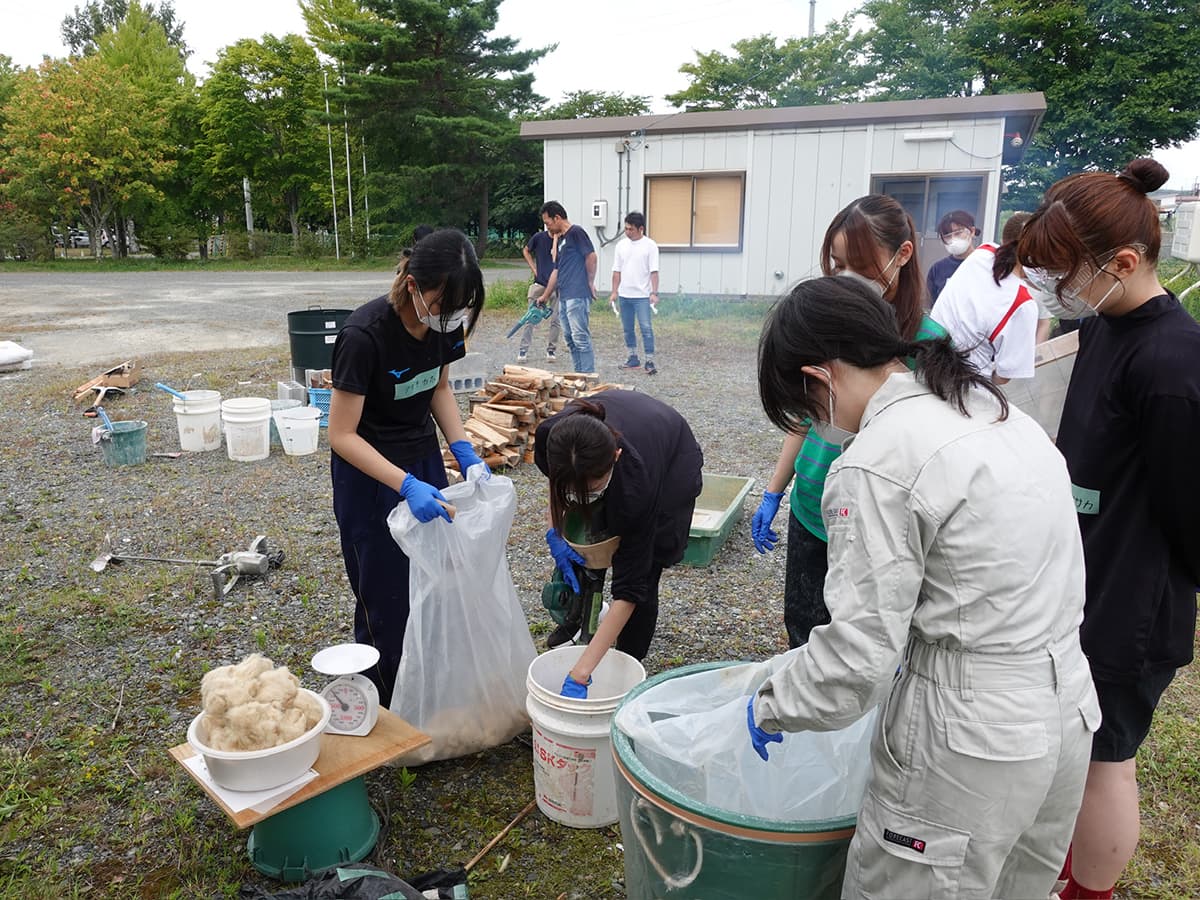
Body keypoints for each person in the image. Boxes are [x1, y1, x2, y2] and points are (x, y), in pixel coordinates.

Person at [748, 276, 1098, 898]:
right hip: (1065, 705)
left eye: (804, 410)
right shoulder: (995, 410)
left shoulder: (877, 462)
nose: (814, 427)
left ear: (820, 376)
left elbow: (857, 658)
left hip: (968, 735)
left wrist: (773, 701)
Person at [1016, 158, 1200, 900]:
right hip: (1083, 582)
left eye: (1066, 274)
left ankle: (1090, 892)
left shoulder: (1173, 359)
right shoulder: (1103, 327)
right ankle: (1066, 865)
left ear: (1123, 263)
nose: (1057, 291)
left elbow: (1191, 515)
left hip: (1131, 598)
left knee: (1106, 756)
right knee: (1072, 746)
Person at [751, 194, 946, 649]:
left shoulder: (927, 343)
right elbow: (804, 414)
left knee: (863, 639)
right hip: (812, 501)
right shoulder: (823, 323)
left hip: (875, 519)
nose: (845, 277)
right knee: (804, 624)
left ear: (903, 255)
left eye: (859, 263)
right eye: (836, 265)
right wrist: (775, 490)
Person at [327, 228, 489, 706]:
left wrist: (464, 451)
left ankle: (433, 694)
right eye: (444, 303)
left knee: (435, 583)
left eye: (461, 306)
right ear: (413, 285)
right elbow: (340, 435)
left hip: (422, 464)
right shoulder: (363, 336)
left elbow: (438, 388)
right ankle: (392, 707)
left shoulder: (443, 326)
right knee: (387, 597)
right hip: (371, 477)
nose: (452, 315)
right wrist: (404, 483)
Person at [533, 391, 703, 698]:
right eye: (571, 488)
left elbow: (630, 588)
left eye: (592, 487)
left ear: (615, 457)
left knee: (646, 572)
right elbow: (555, 481)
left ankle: (628, 660)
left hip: (671, 459)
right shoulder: (553, 436)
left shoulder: (638, 487)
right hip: (608, 437)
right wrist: (554, 532)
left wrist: (581, 674)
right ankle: (579, 623)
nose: (579, 495)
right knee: (585, 545)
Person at [932, 211, 1040, 384]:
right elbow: (1004, 376)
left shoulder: (983, 252)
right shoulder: (1023, 304)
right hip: (965, 386)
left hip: (928, 361)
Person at [540, 201, 598, 373]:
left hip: (577, 294)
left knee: (580, 337)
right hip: (564, 295)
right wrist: (545, 295)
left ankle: (588, 378)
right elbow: (556, 271)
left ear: (557, 217)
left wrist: (590, 282)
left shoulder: (576, 233)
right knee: (570, 339)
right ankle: (579, 375)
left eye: (548, 223)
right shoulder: (562, 240)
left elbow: (591, 257)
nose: (547, 228)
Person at [609, 211, 661, 375]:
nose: (627, 232)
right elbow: (616, 271)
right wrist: (614, 291)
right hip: (625, 295)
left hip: (642, 296)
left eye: (631, 229)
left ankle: (649, 360)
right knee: (628, 328)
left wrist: (654, 292)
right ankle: (632, 358)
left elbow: (654, 272)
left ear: (641, 229)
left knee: (646, 328)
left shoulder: (650, 245)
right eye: (626, 229)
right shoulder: (621, 246)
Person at [518, 225, 560, 363]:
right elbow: (526, 250)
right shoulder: (539, 237)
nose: (549, 226)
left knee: (555, 319)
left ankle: (551, 350)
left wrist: (556, 239)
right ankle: (523, 350)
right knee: (530, 316)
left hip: (556, 286)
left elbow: (555, 255)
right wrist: (534, 268)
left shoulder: (564, 239)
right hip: (540, 283)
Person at [926, 210, 979, 304]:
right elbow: (931, 305)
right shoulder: (937, 269)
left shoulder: (984, 264)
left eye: (958, 233)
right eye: (947, 236)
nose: (953, 239)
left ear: (972, 231)